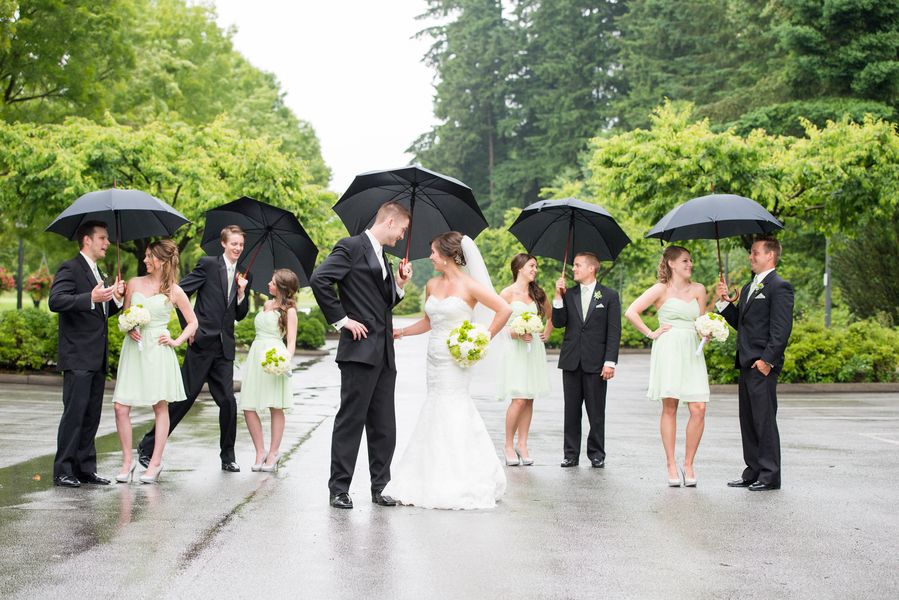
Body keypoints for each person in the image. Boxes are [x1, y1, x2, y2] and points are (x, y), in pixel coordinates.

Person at [386, 232, 512, 509]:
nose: (430, 257)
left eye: (433, 252)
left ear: (447, 255)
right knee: (434, 406)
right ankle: (427, 475)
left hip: (458, 359)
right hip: (434, 358)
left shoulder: (470, 286)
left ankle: (462, 476)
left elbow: (504, 309)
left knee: (453, 407)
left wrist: (483, 337)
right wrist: (402, 332)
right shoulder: (432, 284)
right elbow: (429, 321)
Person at [310, 201, 413, 510]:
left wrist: (399, 283)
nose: (402, 237)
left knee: (384, 424)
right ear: (391, 221)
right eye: (403, 231)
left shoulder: (383, 256)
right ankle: (339, 488)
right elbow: (320, 279)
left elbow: (382, 304)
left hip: (384, 352)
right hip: (358, 351)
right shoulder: (351, 246)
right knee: (351, 421)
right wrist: (342, 320)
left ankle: (380, 487)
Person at [137, 225, 251, 472]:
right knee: (183, 400)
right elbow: (179, 294)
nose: (237, 248)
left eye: (241, 245)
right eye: (234, 244)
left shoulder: (242, 275)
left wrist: (242, 294)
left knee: (229, 402)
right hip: (201, 345)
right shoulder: (208, 265)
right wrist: (189, 329)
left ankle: (227, 456)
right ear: (223, 243)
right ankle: (147, 446)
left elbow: (240, 315)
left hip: (224, 349)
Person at [112, 240, 198, 484]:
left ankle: (156, 462)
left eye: (150, 257)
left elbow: (193, 322)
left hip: (158, 351)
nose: (145, 260)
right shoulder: (133, 283)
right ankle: (127, 462)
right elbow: (124, 315)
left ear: (162, 260)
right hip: (134, 350)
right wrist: (128, 327)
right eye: (146, 256)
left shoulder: (174, 290)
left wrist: (176, 340)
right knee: (120, 406)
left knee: (160, 407)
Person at [624, 246, 709, 487]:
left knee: (699, 408)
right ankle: (671, 464)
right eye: (684, 260)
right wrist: (651, 333)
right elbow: (631, 311)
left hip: (692, 350)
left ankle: (689, 463)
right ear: (671, 264)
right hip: (669, 349)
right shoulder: (661, 289)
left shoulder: (699, 290)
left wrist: (708, 333)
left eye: (690, 260)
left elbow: (701, 322)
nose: (689, 264)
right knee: (670, 407)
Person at [48, 220, 124, 488]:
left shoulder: (98, 271)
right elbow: (56, 301)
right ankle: (63, 470)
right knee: (74, 414)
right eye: (102, 238)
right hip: (78, 356)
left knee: (91, 415)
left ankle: (85, 468)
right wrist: (90, 297)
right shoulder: (70, 268)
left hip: (96, 356)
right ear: (87, 240)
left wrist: (115, 298)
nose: (107, 243)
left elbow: (100, 312)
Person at [717, 236, 793, 491]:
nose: (751, 257)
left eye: (755, 253)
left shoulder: (779, 287)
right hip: (745, 364)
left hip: (762, 365)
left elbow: (781, 330)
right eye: (751, 252)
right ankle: (753, 471)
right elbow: (741, 323)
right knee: (748, 420)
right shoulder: (751, 287)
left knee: (764, 420)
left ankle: (770, 475)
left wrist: (767, 361)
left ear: (769, 256)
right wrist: (724, 302)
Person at [552, 252, 621, 468]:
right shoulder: (568, 294)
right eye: (573, 265)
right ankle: (570, 454)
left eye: (578, 265)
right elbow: (559, 322)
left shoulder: (609, 296)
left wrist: (610, 361)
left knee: (596, 411)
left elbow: (614, 331)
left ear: (591, 268)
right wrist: (557, 296)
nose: (574, 269)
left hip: (596, 362)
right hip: (571, 361)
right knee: (571, 410)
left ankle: (597, 453)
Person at [240, 268, 299, 473]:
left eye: (272, 282)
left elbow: (291, 341)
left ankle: (273, 453)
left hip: (275, 356)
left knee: (276, 405)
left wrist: (284, 361)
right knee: (248, 405)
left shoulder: (289, 311)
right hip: (256, 355)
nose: (268, 284)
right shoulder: (266, 304)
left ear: (281, 287)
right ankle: (260, 451)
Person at [498, 253, 552, 466]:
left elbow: (551, 314)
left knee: (529, 397)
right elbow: (500, 325)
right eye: (532, 266)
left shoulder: (538, 293)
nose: (535, 270)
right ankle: (508, 445)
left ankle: (523, 444)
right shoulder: (506, 294)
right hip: (516, 350)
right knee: (518, 398)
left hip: (534, 350)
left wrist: (546, 332)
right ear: (519, 268)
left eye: (536, 266)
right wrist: (517, 333)